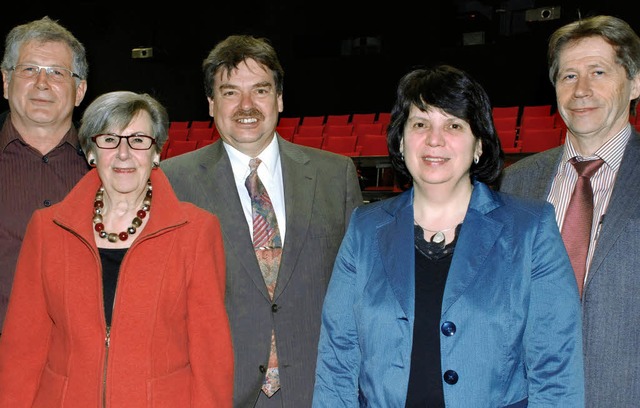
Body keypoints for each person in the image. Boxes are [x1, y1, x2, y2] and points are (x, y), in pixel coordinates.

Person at [312, 65, 585, 407]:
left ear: (479, 145)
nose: (435, 139)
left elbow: (556, 373)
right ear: (401, 140)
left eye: (454, 125)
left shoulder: (531, 230)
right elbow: (338, 364)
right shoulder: (364, 229)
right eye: (420, 124)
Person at [161, 34, 363, 407]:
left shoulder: (335, 176)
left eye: (260, 90)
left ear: (280, 98)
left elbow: (358, 294)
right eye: (230, 92)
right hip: (217, 390)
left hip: (318, 389)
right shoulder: (172, 182)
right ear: (210, 103)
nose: (246, 106)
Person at [0, 91, 234, 407]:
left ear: (156, 152)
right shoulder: (46, 229)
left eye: (138, 140)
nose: (124, 153)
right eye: (110, 139)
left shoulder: (196, 232)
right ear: (92, 151)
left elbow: (211, 356)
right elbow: (22, 348)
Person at [499, 15, 640, 407]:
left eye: (598, 71)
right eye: (568, 76)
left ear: (636, 83)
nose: (582, 90)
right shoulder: (518, 182)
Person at [0, 16, 90, 332]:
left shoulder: (112, 167)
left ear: (79, 91)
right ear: (5, 81)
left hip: (81, 359)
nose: (42, 83)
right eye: (29, 70)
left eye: (56, 73)